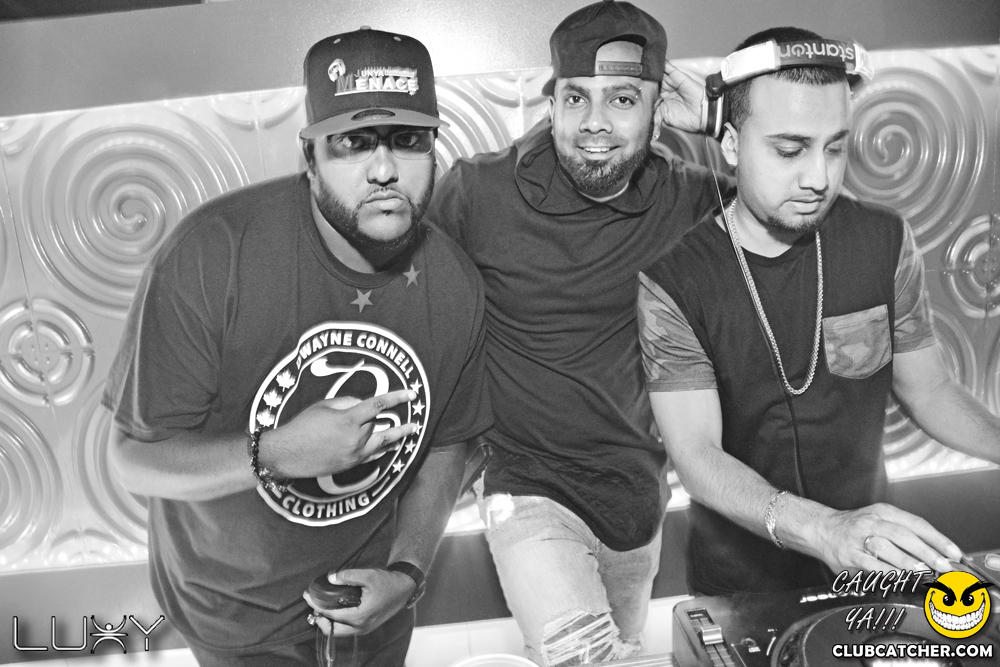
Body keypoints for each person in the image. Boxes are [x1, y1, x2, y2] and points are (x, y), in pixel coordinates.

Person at [103, 26, 491, 666]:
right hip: (236, 618)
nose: (385, 170)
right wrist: (277, 453)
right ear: (310, 157)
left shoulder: (453, 284)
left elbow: (449, 442)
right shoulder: (212, 255)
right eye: (354, 143)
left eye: (407, 140)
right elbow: (132, 460)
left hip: (371, 608)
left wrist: (407, 573)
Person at [638, 26, 1000, 598]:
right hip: (743, 587)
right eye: (789, 150)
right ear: (730, 145)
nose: (819, 178)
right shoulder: (674, 283)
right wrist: (824, 529)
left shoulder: (884, 240)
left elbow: (930, 390)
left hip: (873, 566)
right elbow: (697, 455)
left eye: (835, 148)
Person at [425, 1, 725, 662]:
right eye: (576, 97)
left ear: (659, 107)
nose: (594, 122)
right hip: (523, 485)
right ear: (552, 99)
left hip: (636, 498)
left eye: (623, 98)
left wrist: (721, 123)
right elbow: (407, 301)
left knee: (618, 648)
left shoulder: (688, 199)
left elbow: (801, 220)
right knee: (583, 656)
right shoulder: (478, 193)